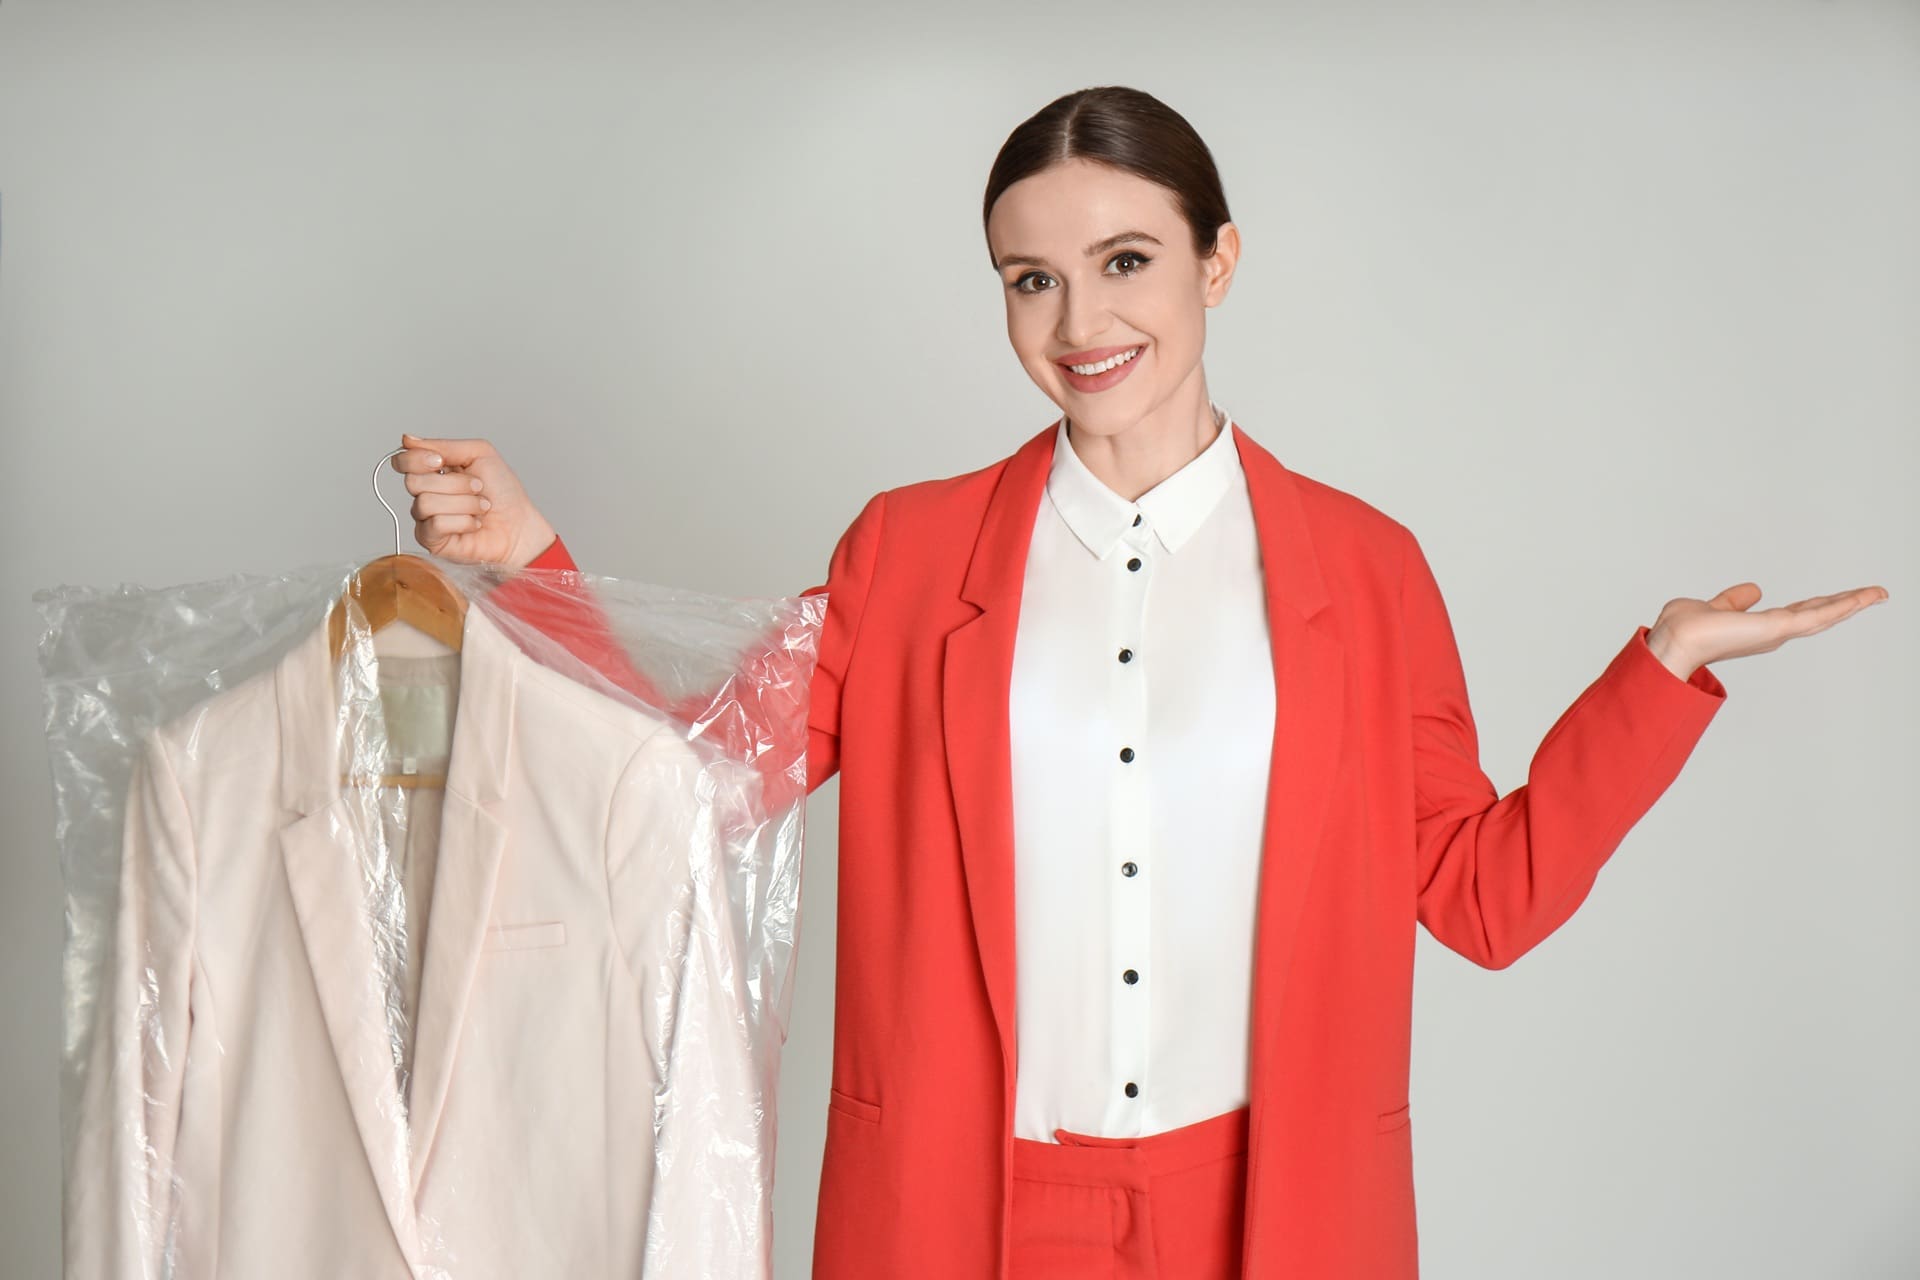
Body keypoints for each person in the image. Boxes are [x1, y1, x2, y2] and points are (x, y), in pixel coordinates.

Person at [389, 86, 1886, 1280]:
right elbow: (696, 779)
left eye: (1125, 263)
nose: (1079, 324)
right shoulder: (906, 556)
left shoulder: (1366, 572)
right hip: (966, 1210)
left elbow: (1483, 899)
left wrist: (1664, 672)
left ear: (1216, 261)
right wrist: (536, 568)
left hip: (1277, 1212)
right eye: (1029, 279)